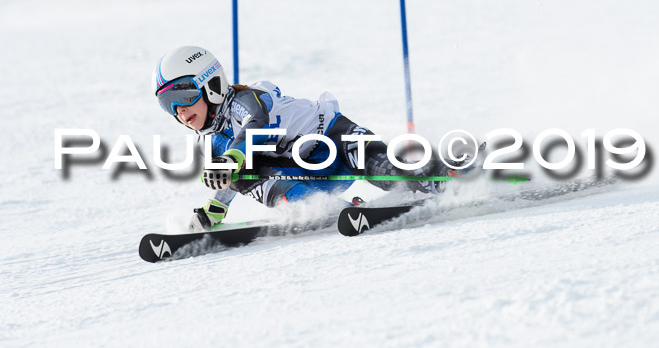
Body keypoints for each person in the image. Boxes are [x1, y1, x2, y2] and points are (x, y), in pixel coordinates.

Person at [152, 46, 447, 232]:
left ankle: (450, 171)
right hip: (309, 176)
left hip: (335, 141)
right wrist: (217, 207)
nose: (180, 111)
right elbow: (232, 173)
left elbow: (255, 123)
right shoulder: (212, 143)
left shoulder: (245, 99)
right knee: (241, 175)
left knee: (395, 175)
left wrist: (233, 158)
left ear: (210, 85)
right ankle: (323, 208)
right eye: (169, 105)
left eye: (185, 96)